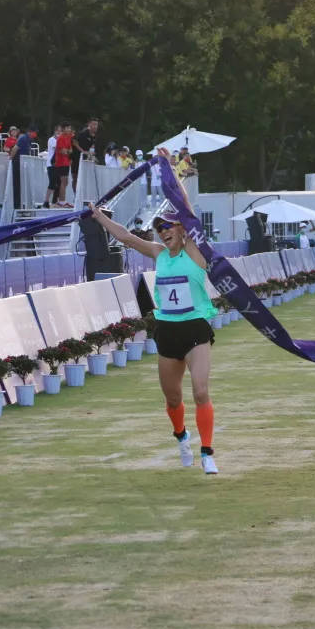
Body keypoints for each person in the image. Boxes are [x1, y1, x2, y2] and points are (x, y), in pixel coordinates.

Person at [90, 199, 220, 474]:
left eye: (168, 226)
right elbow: (125, 236)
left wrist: (171, 175)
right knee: (173, 399)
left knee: (200, 391)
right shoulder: (159, 254)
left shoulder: (194, 252)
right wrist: (98, 216)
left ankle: (207, 452)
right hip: (168, 331)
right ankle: (182, 436)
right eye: (158, 228)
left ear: (182, 228)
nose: (163, 231)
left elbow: (188, 211)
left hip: (196, 329)